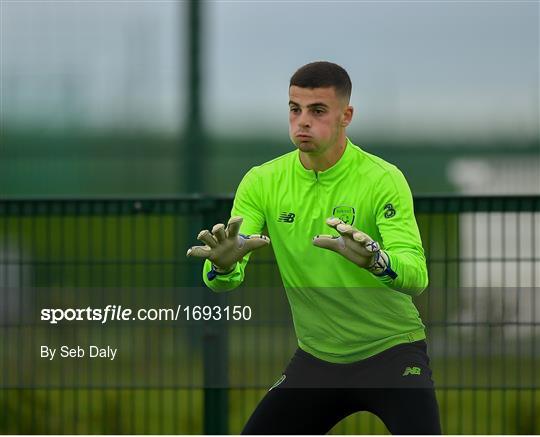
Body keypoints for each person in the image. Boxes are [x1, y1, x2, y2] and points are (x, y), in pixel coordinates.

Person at [187, 61, 441, 435]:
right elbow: (224, 278)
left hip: (393, 352)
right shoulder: (262, 181)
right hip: (317, 359)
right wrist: (223, 267)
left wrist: (378, 262)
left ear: (345, 116)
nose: (302, 121)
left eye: (317, 110)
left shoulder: (383, 179)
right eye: (295, 109)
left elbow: (416, 276)